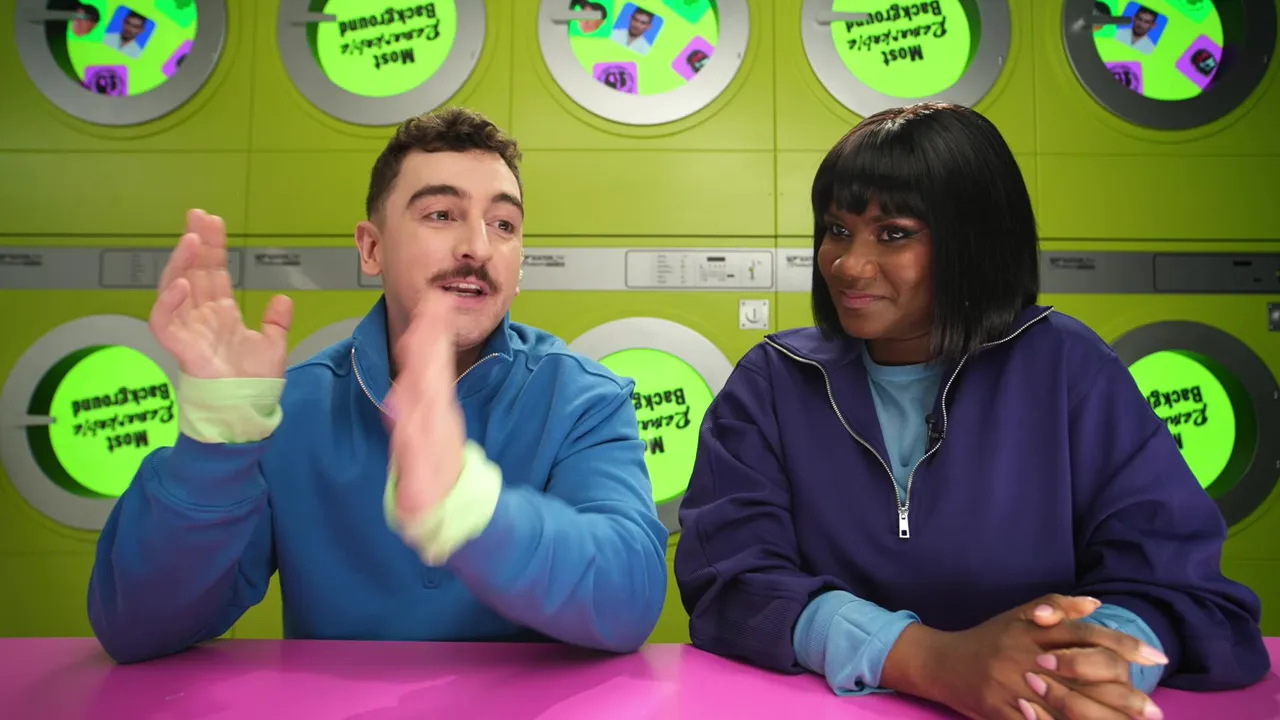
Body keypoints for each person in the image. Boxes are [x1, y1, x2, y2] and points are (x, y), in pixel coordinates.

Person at [674, 103, 1269, 720]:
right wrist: (932, 661)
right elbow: (732, 585)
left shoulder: (1068, 366)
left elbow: (1180, 586)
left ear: (975, 243)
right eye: (837, 230)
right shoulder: (772, 380)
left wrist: (1080, 667)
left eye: (893, 233)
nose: (848, 264)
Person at [88, 108, 669, 664]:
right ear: (372, 248)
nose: (478, 246)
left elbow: (630, 599)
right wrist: (218, 438)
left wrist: (469, 507)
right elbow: (138, 627)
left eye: (504, 225)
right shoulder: (290, 409)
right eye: (441, 214)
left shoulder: (584, 400)